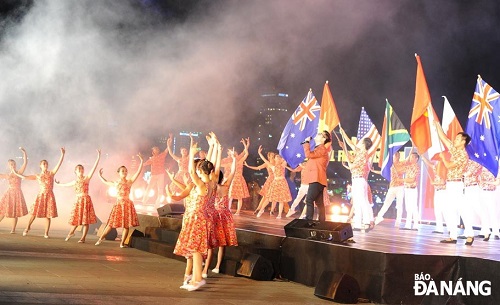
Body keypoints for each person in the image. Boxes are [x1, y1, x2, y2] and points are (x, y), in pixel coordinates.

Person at [172, 135, 217, 291]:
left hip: (197, 218)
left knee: (196, 250)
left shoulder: (202, 183)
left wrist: (192, 152)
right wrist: (213, 147)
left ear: (200, 170)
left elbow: (191, 170)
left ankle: (196, 280)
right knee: (196, 251)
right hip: (198, 217)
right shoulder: (210, 183)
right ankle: (196, 279)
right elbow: (210, 165)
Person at [96, 154, 143, 248]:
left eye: (126, 171)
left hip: (127, 204)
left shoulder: (129, 181)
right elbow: (106, 182)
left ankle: (122, 243)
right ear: (119, 173)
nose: (125, 172)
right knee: (111, 224)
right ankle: (100, 238)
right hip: (119, 204)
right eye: (123, 171)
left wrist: (141, 161)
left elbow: (138, 173)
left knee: (126, 226)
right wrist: (100, 175)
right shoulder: (116, 183)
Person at [434, 122, 471, 245]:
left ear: (463, 142)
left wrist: (443, 157)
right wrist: (437, 125)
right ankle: (453, 236)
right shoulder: (455, 150)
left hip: (457, 184)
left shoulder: (463, 155)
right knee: (450, 209)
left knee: (461, 209)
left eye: (457, 139)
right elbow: (443, 138)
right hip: (450, 184)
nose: (454, 140)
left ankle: (470, 234)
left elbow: (449, 165)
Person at [17, 148, 65, 238]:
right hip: (41, 195)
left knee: (48, 215)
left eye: (46, 163)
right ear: (40, 166)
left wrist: (62, 155)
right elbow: (25, 177)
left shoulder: (51, 173)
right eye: (43, 163)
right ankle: (27, 228)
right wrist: (17, 174)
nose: (45, 165)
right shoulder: (38, 176)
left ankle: (46, 233)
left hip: (49, 195)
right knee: (34, 213)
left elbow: (59, 165)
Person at [55, 150, 100, 243]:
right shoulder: (74, 181)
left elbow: (94, 168)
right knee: (76, 218)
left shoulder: (87, 178)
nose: (80, 170)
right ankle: (71, 232)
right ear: (75, 171)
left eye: (82, 169)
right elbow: (64, 185)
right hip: (79, 201)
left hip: (86, 200)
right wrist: (58, 184)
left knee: (85, 221)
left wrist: (98, 157)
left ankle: (83, 238)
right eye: (78, 169)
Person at [339, 127, 373, 231]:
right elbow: (350, 144)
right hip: (356, 179)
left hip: (359, 179)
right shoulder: (360, 152)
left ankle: (367, 222)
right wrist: (343, 133)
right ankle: (358, 224)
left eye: (361, 141)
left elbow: (353, 167)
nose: (359, 142)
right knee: (358, 202)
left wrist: (349, 164)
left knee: (362, 201)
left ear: (363, 144)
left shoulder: (363, 154)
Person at [301, 130, 331, 222]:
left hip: (317, 179)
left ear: (324, 138)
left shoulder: (321, 148)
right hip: (317, 179)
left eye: (319, 134)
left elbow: (308, 154)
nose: (317, 135)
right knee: (319, 203)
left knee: (309, 200)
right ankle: (322, 222)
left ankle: (308, 220)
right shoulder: (319, 148)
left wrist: (306, 143)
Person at [256, 146, 292, 219]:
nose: (278, 158)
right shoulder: (272, 166)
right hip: (275, 182)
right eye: (277, 157)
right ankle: (261, 210)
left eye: (279, 157)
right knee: (269, 198)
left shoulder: (283, 165)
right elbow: (265, 160)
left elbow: (287, 157)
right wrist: (259, 153)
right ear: (275, 159)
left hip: (282, 182)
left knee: (281, 199)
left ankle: (279, 215)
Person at [372, 152, 405, 227]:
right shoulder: (390, 166)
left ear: (398, 157)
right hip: (392, 187)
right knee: (386, 203)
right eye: (394, 156)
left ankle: (398, 221)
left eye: (396, 156)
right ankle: (379, 217)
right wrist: (374, 171)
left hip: (400, 187)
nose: (394, 157)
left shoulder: (402, 164)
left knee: (399, 205)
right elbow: (383, 172)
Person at [0, 147, 28, 234]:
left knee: (15, 212)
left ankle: (13, 229)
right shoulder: (8, 174)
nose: (13, 165)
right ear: (9, 165)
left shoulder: (19, 172)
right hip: (9, 193)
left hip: (17, 193)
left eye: (14, 164)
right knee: (3, 210)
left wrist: (24, 152)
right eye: (11, 164)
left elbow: (25, 162)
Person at [224, 138, 250, 215]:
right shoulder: (229, 161)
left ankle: (238, 211)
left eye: (234, 152)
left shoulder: (240, 160)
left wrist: (246, 144)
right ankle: (228, 209)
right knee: (230, 195)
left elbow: (246, 153)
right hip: (232, 178)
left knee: (239, 196)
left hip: (239, 179)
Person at [400, 152, 420, 230]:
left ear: (416, 159)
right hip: (407, 189)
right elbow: (401, 169)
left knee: (414, 207)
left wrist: (402, 180)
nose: (410, 159)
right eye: (410, 157)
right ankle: (407, 225)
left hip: (412, 189)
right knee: (408, 208)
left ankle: (416, 225)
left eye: (412, 157)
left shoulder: (416, 167)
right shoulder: (408, 166)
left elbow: (411, 180)